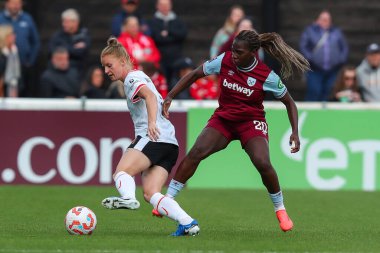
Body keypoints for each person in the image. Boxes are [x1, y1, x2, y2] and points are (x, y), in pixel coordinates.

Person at [160, 30, 310, 232]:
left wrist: (295, 132)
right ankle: (167, 199)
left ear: (253, 52)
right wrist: (170, 95)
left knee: (262, 162)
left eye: (239, 52)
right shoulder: (225, 60)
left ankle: (280, 209)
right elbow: (196, 73)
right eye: (233, 50)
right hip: (224, 119)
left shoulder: (267, 76)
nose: (235, 55)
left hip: (251, 122)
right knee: (196, 152)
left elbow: (290, 103)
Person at [100, 37, 200, 236]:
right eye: (103, 67)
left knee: (121, 172)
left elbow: (150, 96)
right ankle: (188, 223)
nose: (106, 71)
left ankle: (128, 198)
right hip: (170, 144)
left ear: (122, 61)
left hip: (153, 137)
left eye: (109, 65)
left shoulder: (131, 78)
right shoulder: (139, 75)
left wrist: (152, 122)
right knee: (151, 193)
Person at [299, 10, 349, 101]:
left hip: (333, 70)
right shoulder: (310, 31)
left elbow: (344, 48)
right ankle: (311, 112)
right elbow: (303, 46)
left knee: (328, 92)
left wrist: (340, 61)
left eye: (328, 19)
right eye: (323, 19)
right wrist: (311, 59)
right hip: (314, 69)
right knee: (314, 91)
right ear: (318, 20)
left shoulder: (336, 32)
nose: (326, 21)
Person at [0, 0, 40, 97]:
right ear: (6, 3)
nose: (16, 6)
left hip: (22, 65)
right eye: (13, 3)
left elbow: (35, 42)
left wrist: (30, 61)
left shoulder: (27, 18)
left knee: (22, 91)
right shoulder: (0, 18)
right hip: (2, 64)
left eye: (18, 3)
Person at [149, 0, 187, 85]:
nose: (164, 7)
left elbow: (182, 35)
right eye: (162, 5)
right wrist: (173, 37)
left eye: (166, 5)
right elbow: (156, 37)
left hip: (176, 58)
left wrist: (168, 32)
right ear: (157, 6)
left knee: (176, 82)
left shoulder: (177, 20)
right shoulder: (153, 22)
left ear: (171, 6)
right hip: (160, 59)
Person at [48, 8, 91, 76]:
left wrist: (63, 48)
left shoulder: (84, 34)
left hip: (79, 72)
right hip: (59, 74)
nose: (63, 24)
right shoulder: (57, 35)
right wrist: (72, 48)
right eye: (63, 21)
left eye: (66, 22)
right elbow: (51, 50)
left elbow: (81, 52)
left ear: (75, 22)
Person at [0, 24, 21, 97]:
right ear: (4, 37)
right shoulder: (2, 56)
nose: (14, 37)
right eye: (11, 35)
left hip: (12, 88)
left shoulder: (14, 52)